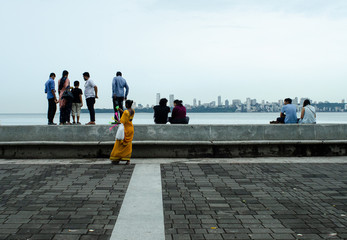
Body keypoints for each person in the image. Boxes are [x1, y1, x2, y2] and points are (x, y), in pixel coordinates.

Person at [110, 100, 135, 165]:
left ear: (126, 104)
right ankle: (127, 160)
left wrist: (116, 121)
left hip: (125, 129)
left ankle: (117, 158)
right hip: (131, 128)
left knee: (120, 144)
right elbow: (127, 116)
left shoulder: (126, 112)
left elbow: (121, 121)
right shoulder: (132, 111)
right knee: (128, 145)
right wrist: (121, 111)